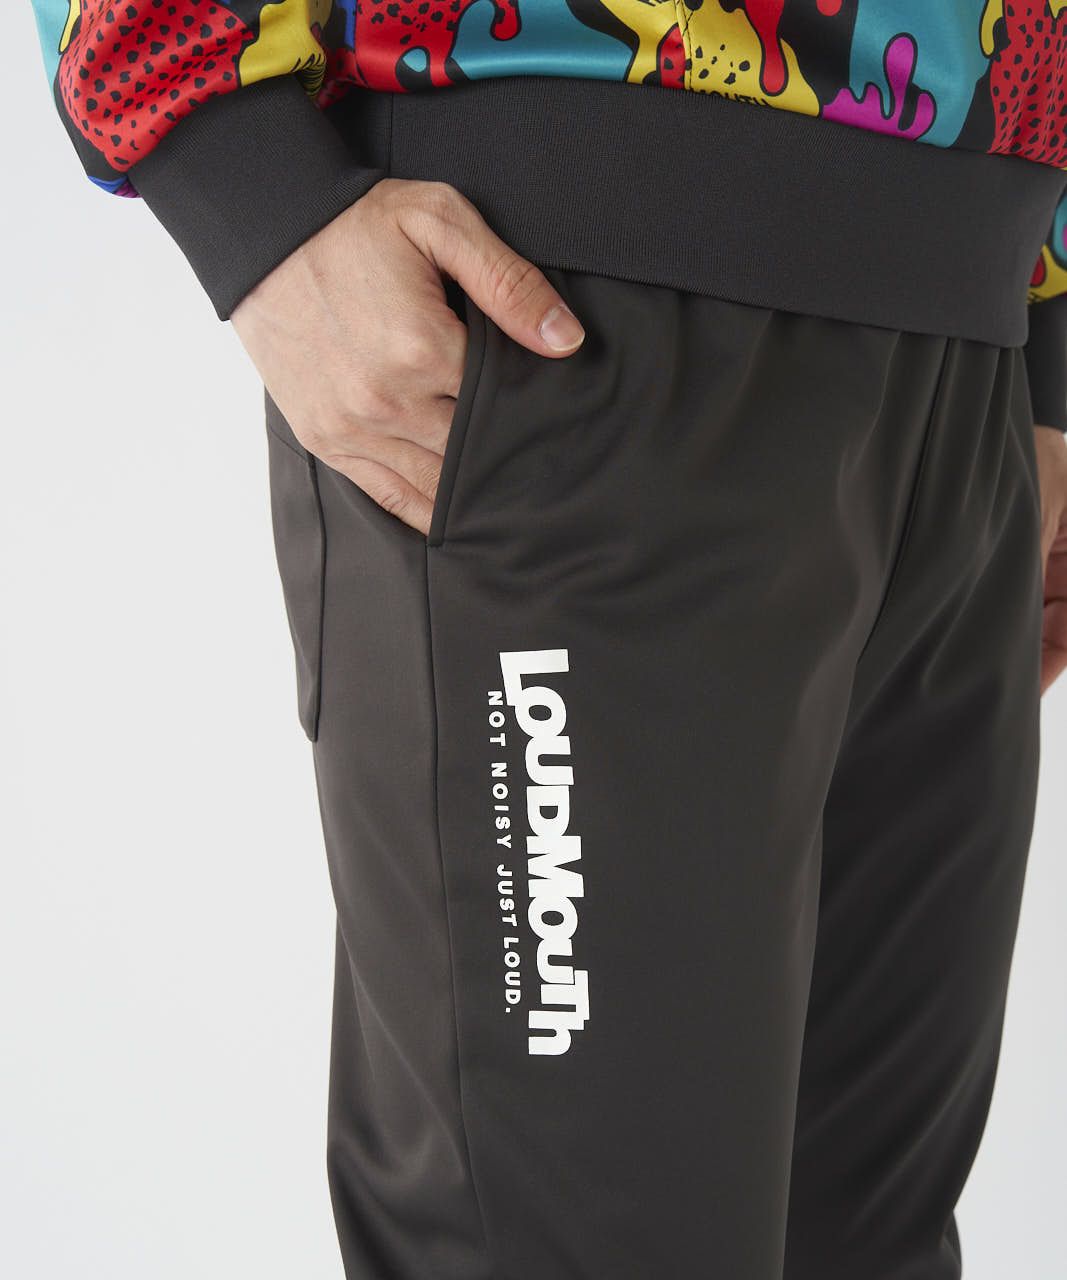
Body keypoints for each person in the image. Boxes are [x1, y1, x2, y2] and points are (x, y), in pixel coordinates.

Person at [30, 3, 1067, 1277]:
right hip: (559, 310)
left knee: (862, 1242)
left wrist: (1049, 347)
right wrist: (247, 188)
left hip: (974, 345)